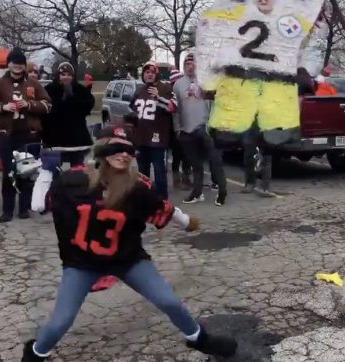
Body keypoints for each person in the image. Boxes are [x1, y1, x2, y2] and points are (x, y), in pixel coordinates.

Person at [20, 125, 238, 362]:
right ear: (101, 149)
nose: (123, 154)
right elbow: (39, 206)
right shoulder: (72, 180)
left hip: (127, 258)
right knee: (60, 322)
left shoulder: (137, 187)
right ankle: (35, 354)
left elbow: (165, 208)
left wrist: (187, 223)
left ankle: (199, 339)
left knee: (169, 301)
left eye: (128, 150)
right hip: (82, 262)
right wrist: (45, 172)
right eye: (116, 147)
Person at [0, 47, 51, 222]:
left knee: (26, 172)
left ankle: (23, 208)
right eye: (14, 62)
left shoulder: (33, 84)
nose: (18, 66)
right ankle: (7, 210)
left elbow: (47, 105)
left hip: (29, 135)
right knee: (9, 173)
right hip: (8, 134)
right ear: (9, 64)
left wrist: (29, 105)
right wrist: (2, 107)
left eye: (21, 63)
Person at [172, 54, 227, 205]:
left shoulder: (207, 82)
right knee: (196, 165)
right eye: (188, 63)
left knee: (215, 161)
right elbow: (176, 109)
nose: (191, 66)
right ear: (184, 66)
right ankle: (197, 192)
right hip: (187, 130)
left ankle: (222, 192)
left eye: (193, 63)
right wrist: (178, 129)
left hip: (205, 127)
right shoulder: (178, 85)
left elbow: (218, 103)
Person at [128, 61, 174, 200]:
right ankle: (146, 197)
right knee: (143, 171)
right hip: (141, 139)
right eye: (146, 72)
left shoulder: (165, 88)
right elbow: (132, 113)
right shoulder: (139, 91)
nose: (149, 75)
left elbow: (173, 107)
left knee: (159, 170)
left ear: (156, 75)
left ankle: (162, 199)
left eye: (152, 72)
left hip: (158, 138)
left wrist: (158, 98)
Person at [41, 62, 95, 167]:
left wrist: (88, 91)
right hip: (55, 139)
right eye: (63, 74)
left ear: (73, 76)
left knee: (77, 170)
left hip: (77, 138)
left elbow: (87, 107)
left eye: (69, 75)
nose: (66, 77)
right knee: (53, 171)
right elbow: (46, 111)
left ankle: (76, 183)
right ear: (58, 75)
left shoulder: (80, 89)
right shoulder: (49, 89)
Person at [167, 69, 193, 189]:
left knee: (186, 155)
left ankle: (185, 178)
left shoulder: (186, 93)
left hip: (186, 127)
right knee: (177, 155)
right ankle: (177, 179)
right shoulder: (171, 96)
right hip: (174, 130)